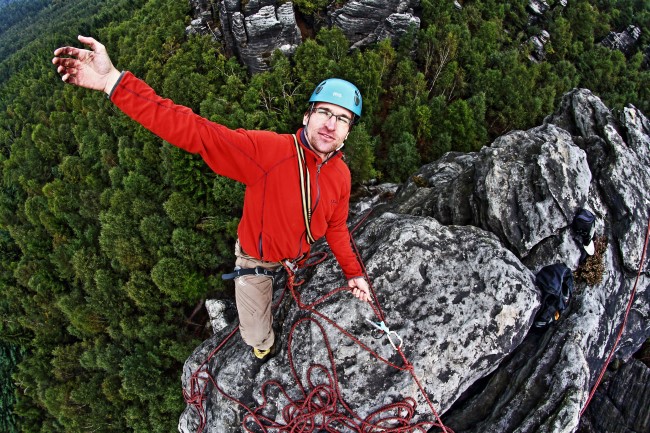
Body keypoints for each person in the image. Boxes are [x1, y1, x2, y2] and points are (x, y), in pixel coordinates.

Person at [52, 36, 371, 361]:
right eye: (325, 113)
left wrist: (353, 273)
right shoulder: (269, 152)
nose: (331, 125)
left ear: (348, 132)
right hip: (257, 262)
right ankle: (262, 344)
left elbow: (336, 228)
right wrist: (114, 83)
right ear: (307, 117)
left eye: (342, 119)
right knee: (256, 335)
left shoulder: (340, 175)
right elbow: (194, 130)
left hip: (298, 257)